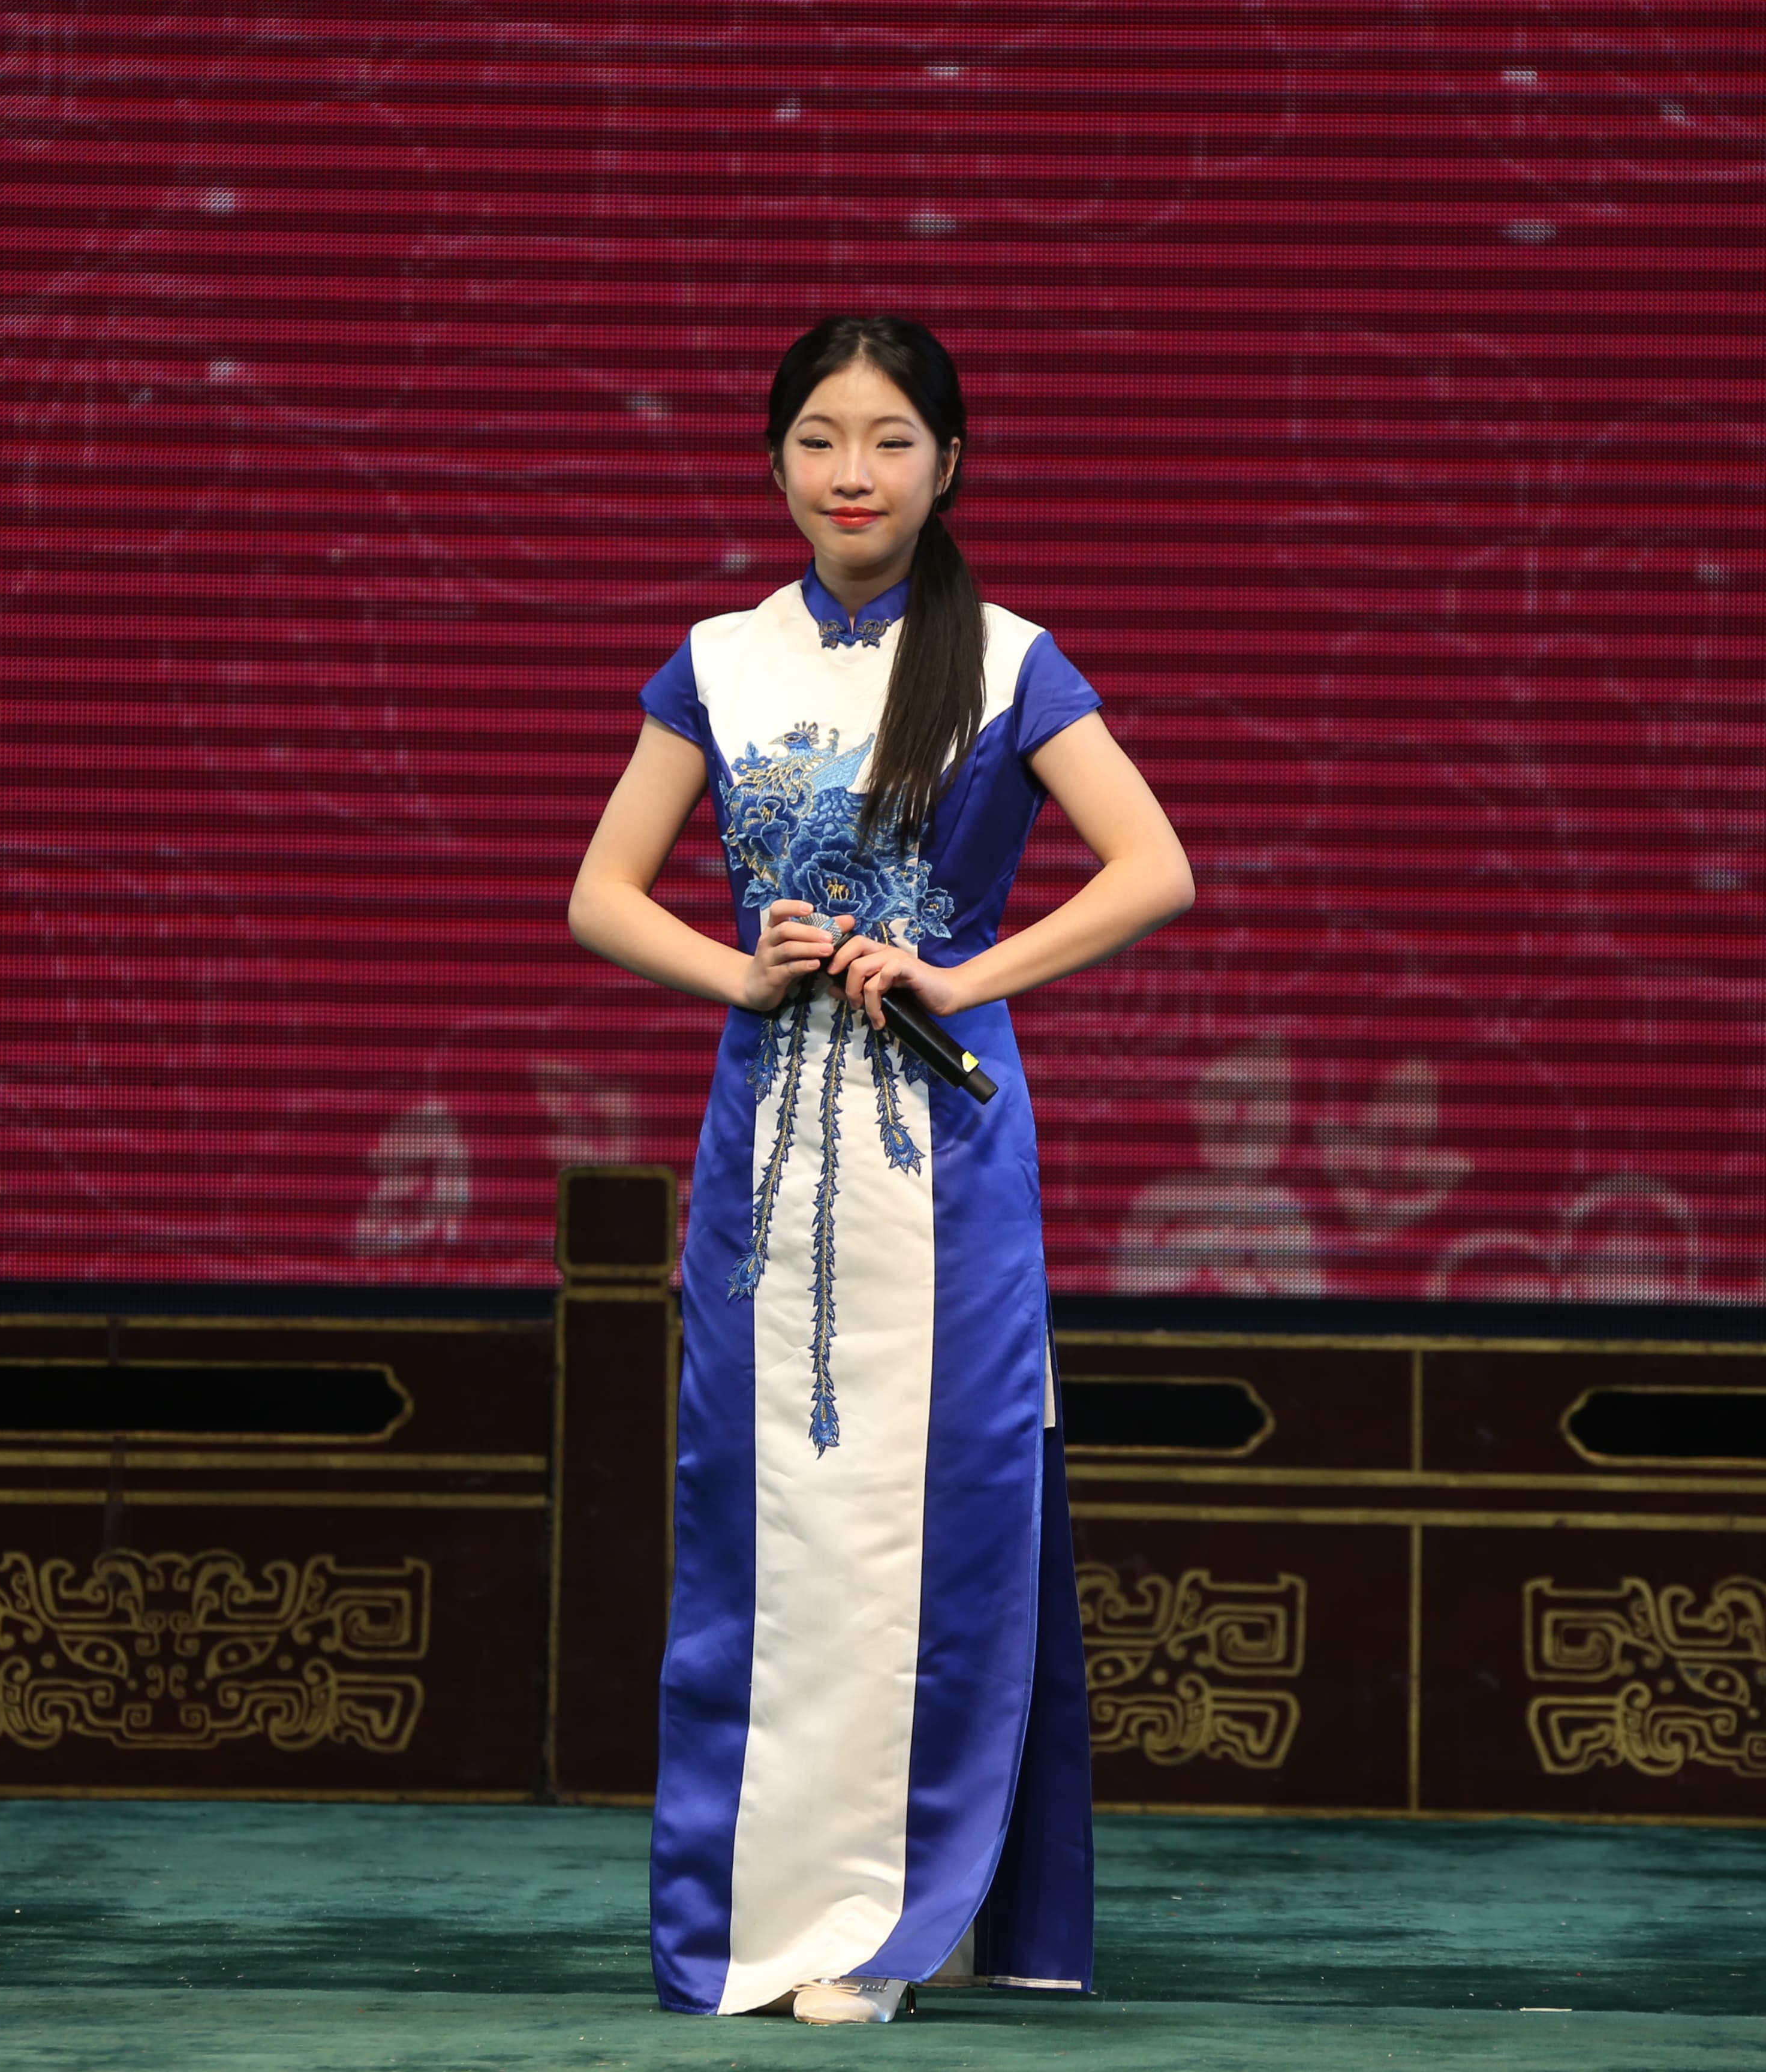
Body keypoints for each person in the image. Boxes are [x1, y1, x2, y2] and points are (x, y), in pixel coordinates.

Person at [568, 316, 1195, 2024]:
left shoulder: (1007, 659)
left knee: (939, 1521)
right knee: (771, 1529)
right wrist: (741, 973)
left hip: (943, 1152)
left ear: (949, 464)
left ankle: (892, 1922)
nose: (854, 473)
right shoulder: (719, 659)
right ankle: (780, 1906)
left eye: (892, 440)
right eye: (822, 440)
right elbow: (602, 894)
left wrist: (960, 977)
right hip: (767, 1152)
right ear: (776, 460)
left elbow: (1154, 867)